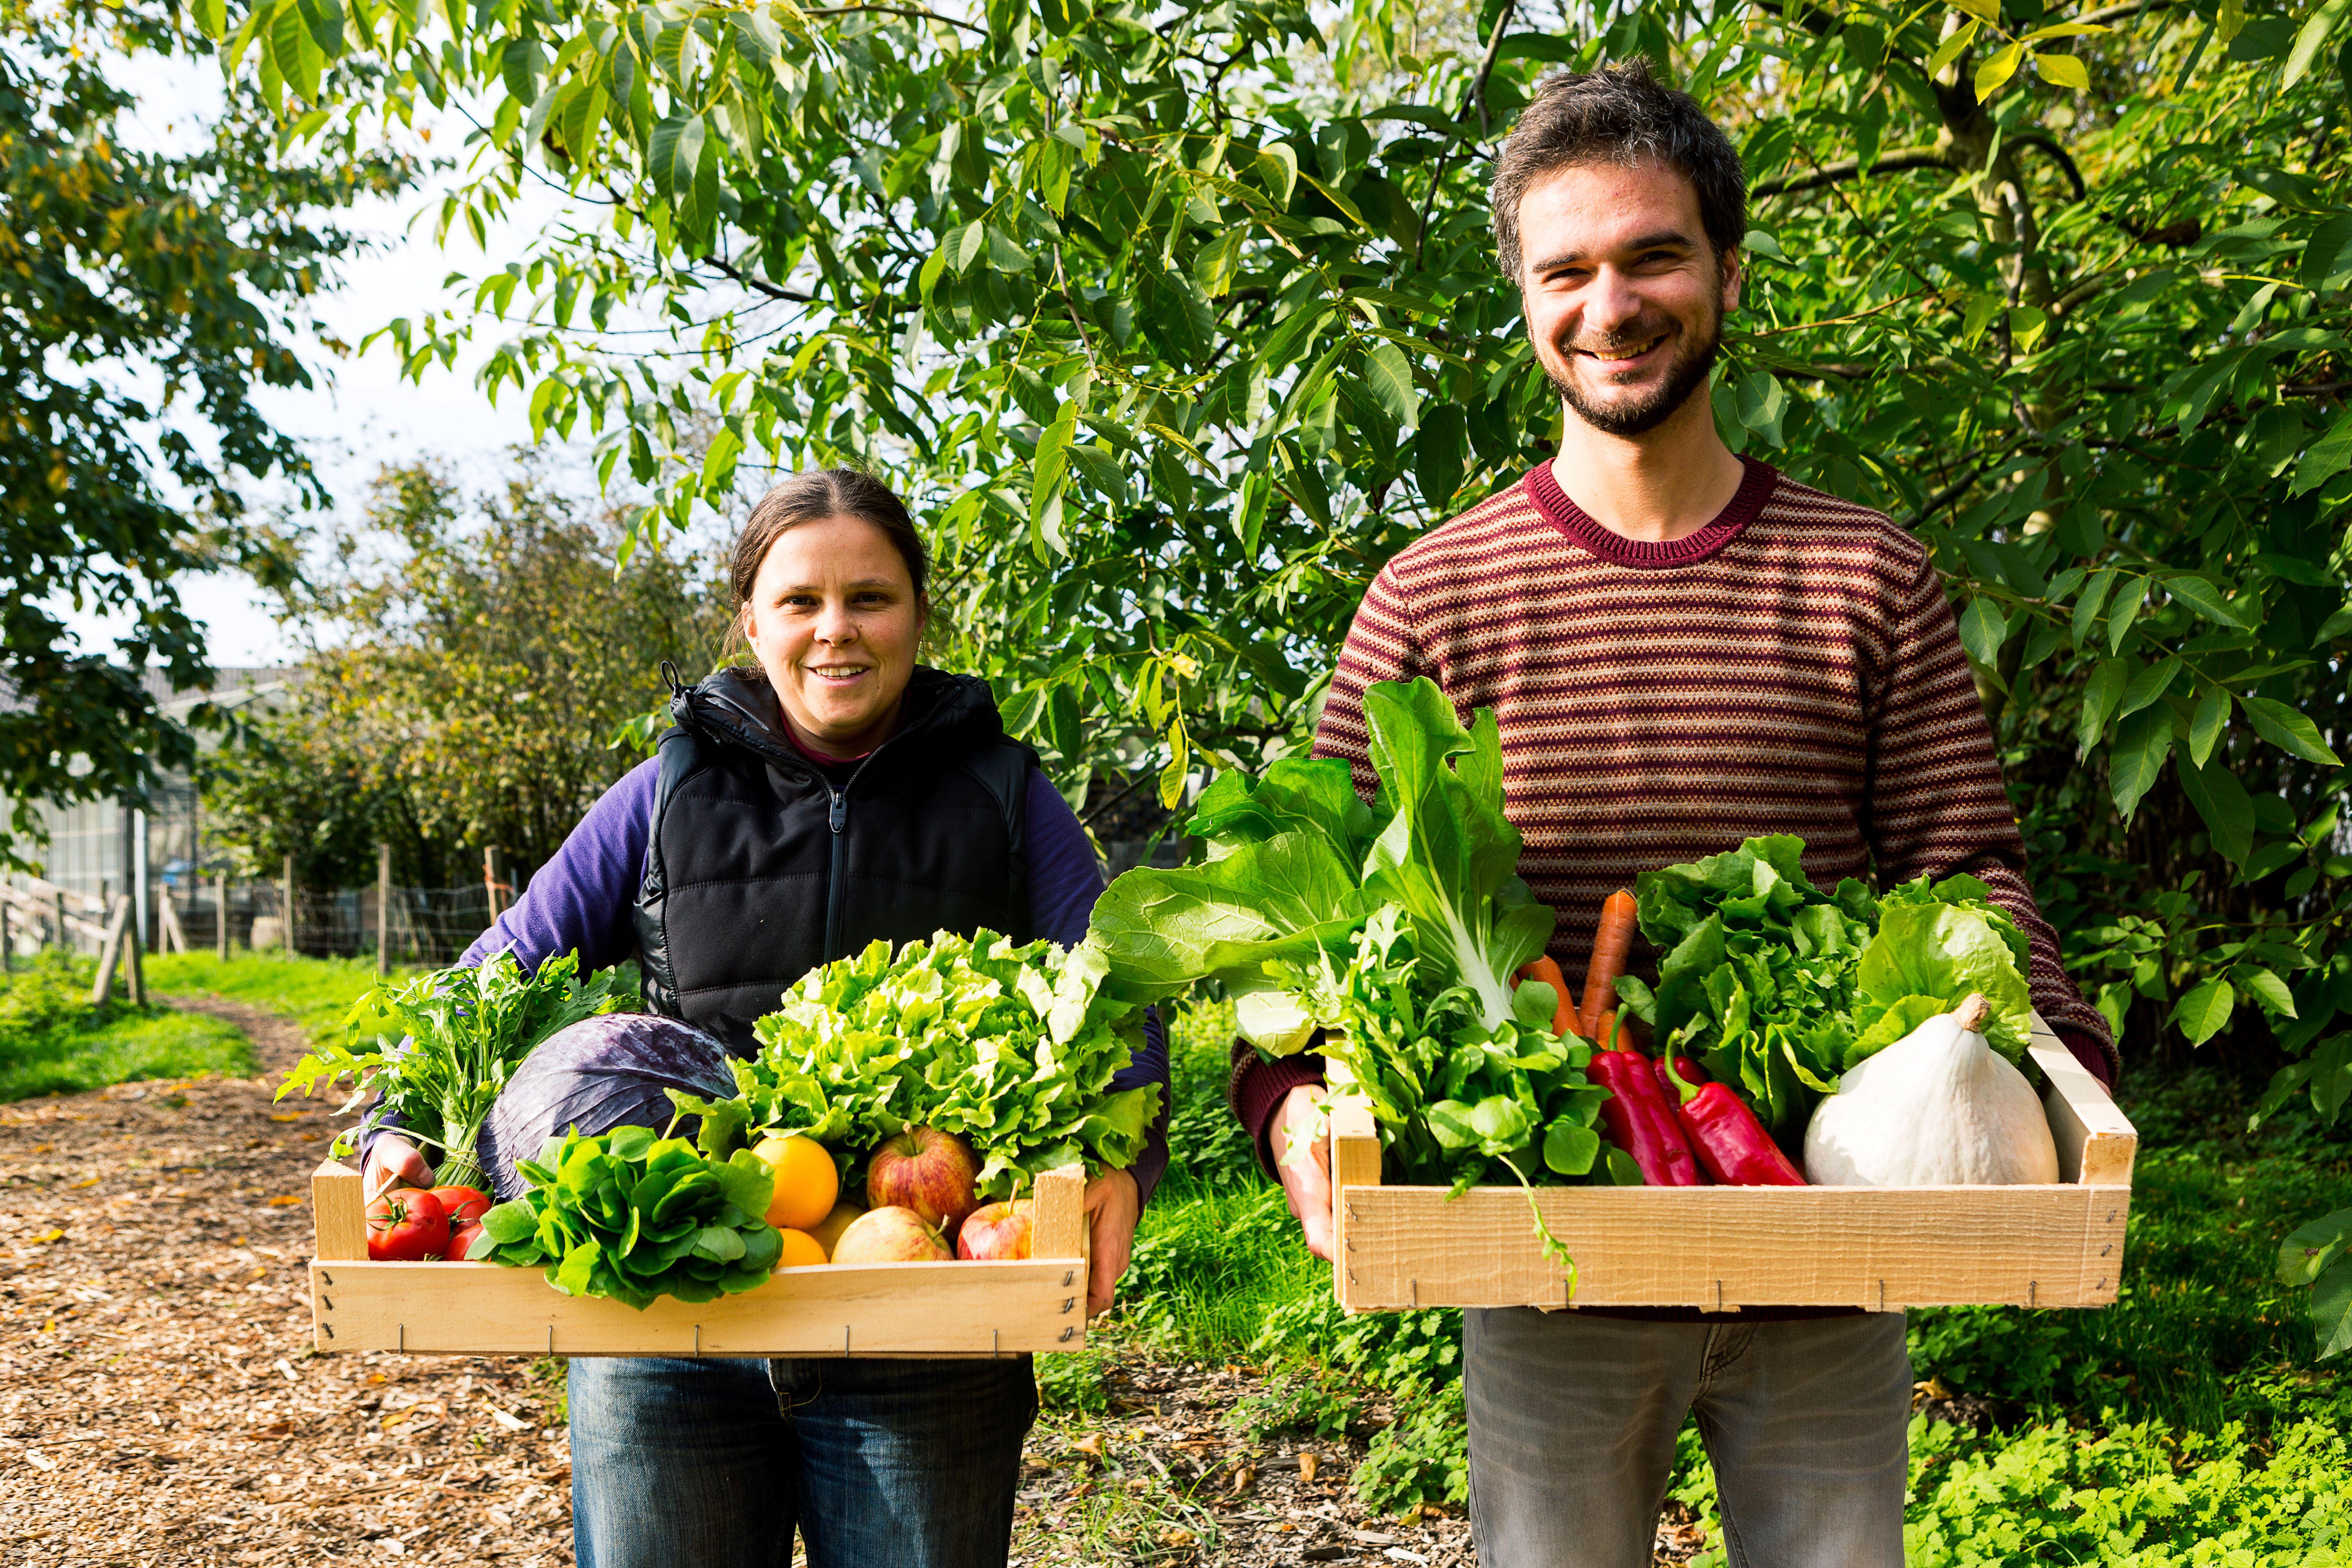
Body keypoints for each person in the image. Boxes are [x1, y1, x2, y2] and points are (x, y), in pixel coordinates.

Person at [1227, 61, 2119, 1568]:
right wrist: (1292, 1103)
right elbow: (1330, 934)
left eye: (1654, 254)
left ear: (1726, 270)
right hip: (1547, 1255)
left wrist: (2058, 1079)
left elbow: (1969, 870)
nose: (1612, 304)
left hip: (1833, 1239)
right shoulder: (1435, 601)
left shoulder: (1867, 579)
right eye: (1565, 268)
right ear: (1523, 296)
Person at [361, 468, 1169, 1568]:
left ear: (919, 616)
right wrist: (400, 1120)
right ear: (750, 620)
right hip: (666, 1317)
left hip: (919, 1321)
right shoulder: (667, 794)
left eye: (871, 598)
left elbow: (1120, 989)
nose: (837, 630)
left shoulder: (1003, 792)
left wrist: (1123, 1156)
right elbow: (491, 976)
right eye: (801, 601)